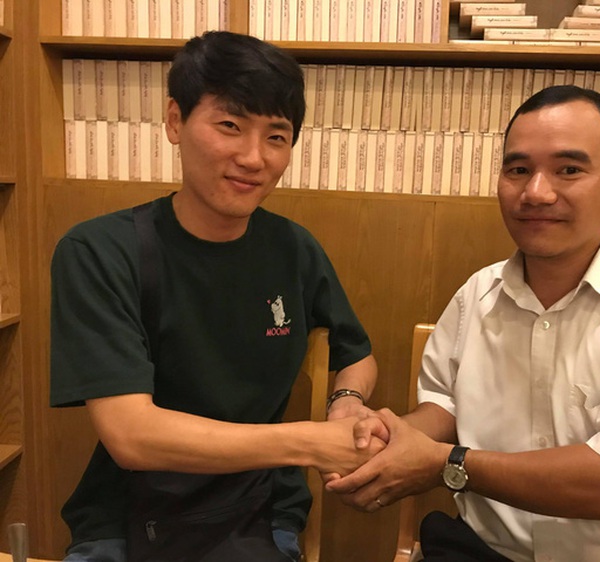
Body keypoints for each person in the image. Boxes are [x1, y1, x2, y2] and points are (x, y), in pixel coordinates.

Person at [327, 85, 600, 562]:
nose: (536, 192)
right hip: (478, 550)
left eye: (569, 169)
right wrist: (389, 435)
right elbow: (446, 406)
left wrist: (446, 465)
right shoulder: (477, 293)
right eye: (518, 170)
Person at [50, 31, 382, 562]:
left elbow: (355, 353)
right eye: (230, 125)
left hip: (259, 511)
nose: (253, 157)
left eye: (277, 136)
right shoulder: (101, 250)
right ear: (175, 120)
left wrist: (347, 402)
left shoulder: (293, 249)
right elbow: (131, 436)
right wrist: (311, 442)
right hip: (126, 518)